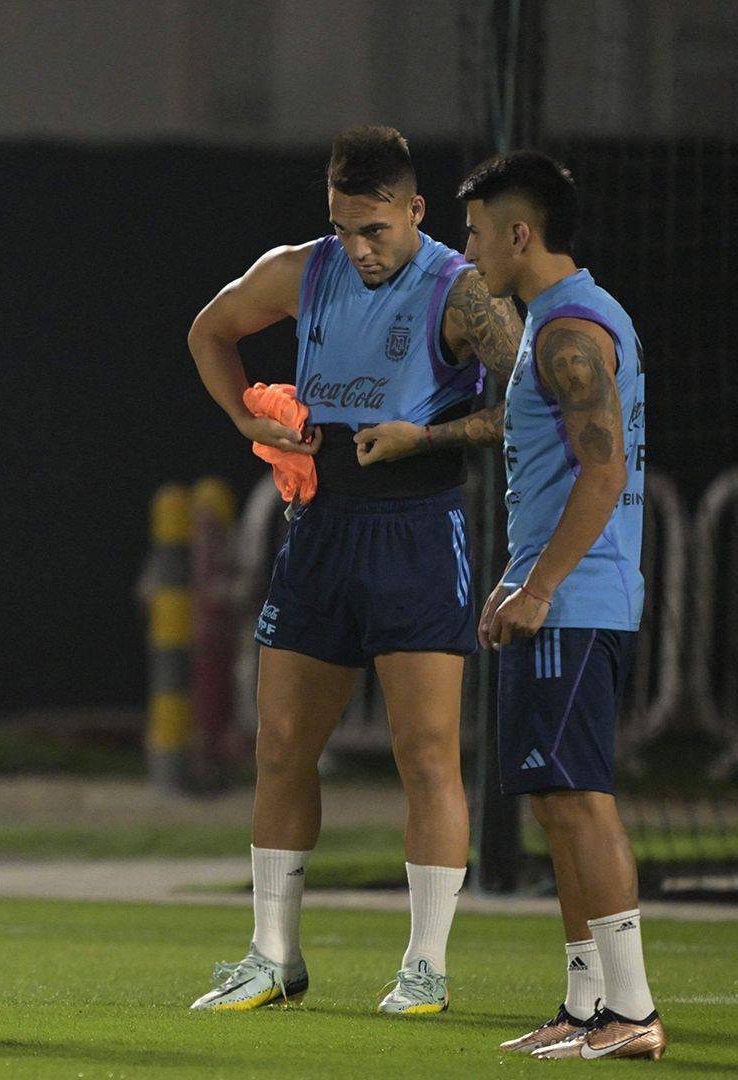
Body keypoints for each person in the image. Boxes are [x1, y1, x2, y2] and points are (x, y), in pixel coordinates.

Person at [185, 125, 524, 1014]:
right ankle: (271, 956)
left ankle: (426, 965)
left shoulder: (463, 292)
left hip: (417, 531)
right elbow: (208, 331)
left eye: (376, 230)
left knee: (425, 754)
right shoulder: (305, 269)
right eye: (345, 228)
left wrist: (431, 435)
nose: (360, 249)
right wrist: (244, 420)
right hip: (321, 529)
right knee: (282, 747)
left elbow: (534, 401)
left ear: (416, 210)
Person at [359, 151, 660, 1058]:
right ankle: (584, 1007)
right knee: (551, 800)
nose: (468, 245)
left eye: (478, 229)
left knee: (580, 799)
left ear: (519, 233)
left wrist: (540, 585)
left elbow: (602, 474)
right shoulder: (553, 323)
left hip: (578, 601)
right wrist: (516, 578)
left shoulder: (572, 329)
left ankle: (634, 1010)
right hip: (556, 592)